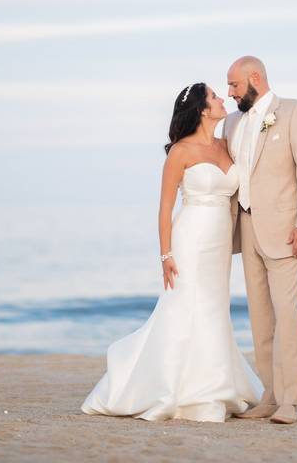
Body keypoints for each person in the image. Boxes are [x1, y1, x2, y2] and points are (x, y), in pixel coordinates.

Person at [80, 82, 263, 422]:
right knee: (185, 305)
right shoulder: (181, 151)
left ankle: (214, 382)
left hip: (221, 240)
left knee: (213, 307)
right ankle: (184, 388)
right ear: (202, 109)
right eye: (214, 96)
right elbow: (165, 209)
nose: (222, 98)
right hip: (191, 237)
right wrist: (166, 256)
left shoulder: (227, 145)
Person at [224, 55, 297, 425]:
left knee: (286, 315)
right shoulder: (232, 122)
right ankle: (267, 395)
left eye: (234, 85)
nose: (230, 93)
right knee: (260, 317)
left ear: (255, 78)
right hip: (246, 228)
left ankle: (289, 400)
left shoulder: (295, 112)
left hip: (285, 230)